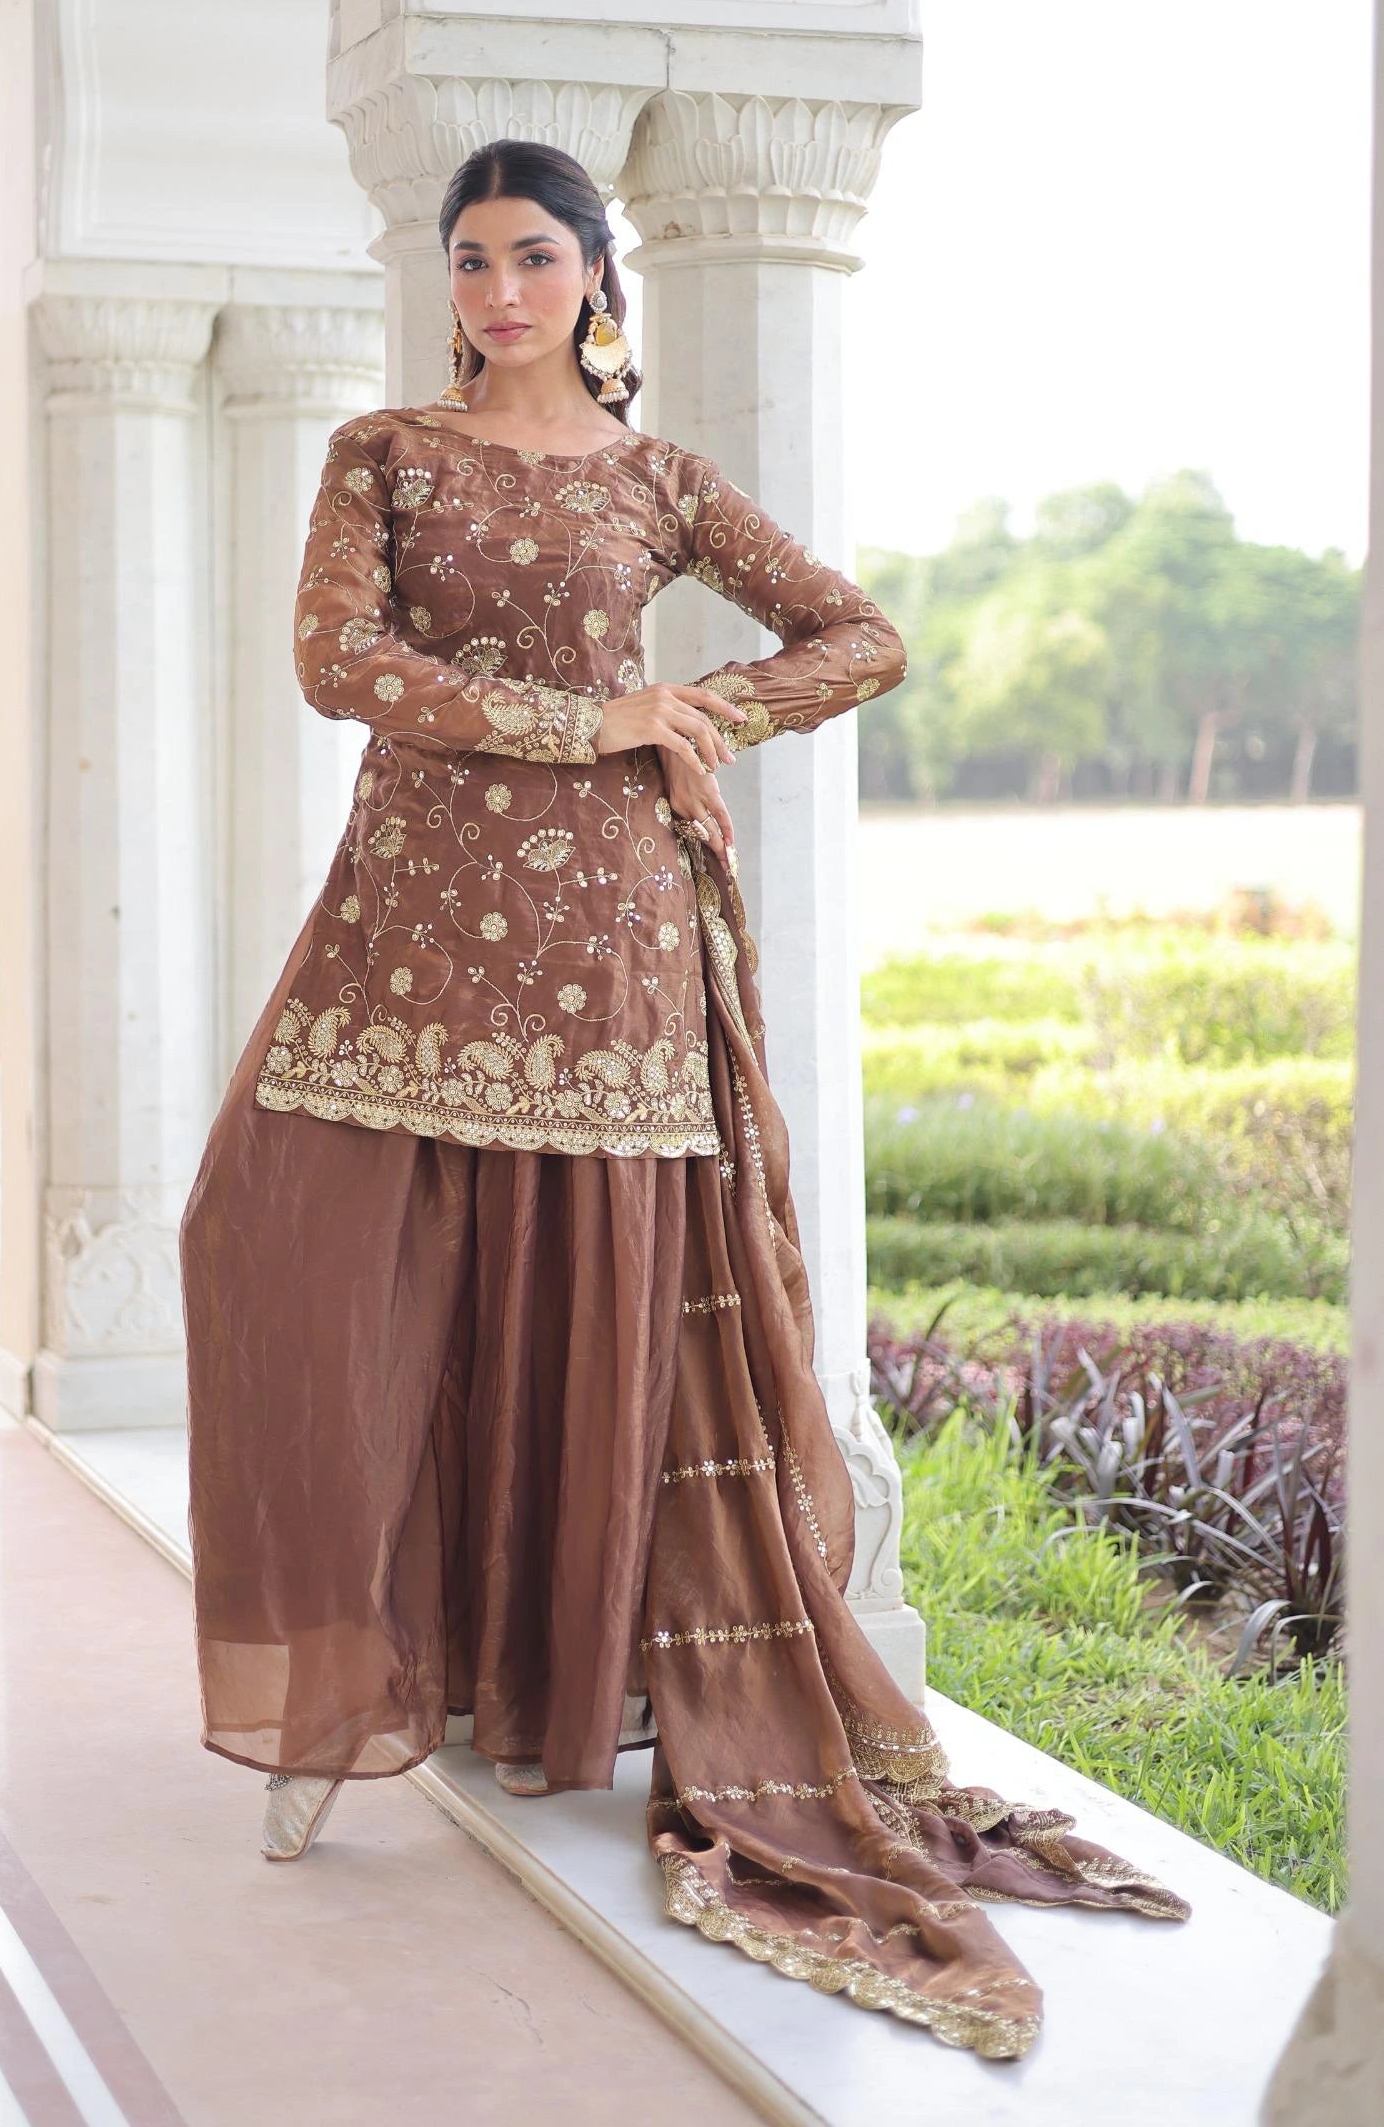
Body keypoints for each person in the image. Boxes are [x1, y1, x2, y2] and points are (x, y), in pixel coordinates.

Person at [179, 138, 1190, 2060]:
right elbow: (340, 662)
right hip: (407, 927)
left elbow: (864, 635)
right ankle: (345, 1700)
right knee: (274, 1236)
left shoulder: (658, 482)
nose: (495, 291)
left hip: (611, 940)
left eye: (531, 256)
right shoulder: (383, 452)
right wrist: (589, 717)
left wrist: (696, 717)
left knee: (582, 1281)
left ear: (592, 273)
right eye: (471, 260)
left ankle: (548, 1692)